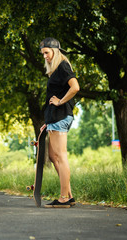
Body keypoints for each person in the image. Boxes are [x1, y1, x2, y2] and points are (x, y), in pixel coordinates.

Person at [39, 37, 80, 208]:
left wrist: (60, 101)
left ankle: (64, 197)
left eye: (46, 53)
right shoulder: (56, 69)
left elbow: (75, 87)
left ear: (55, 51)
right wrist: (47, 121)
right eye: (42, 53)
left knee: (60, 156)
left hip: (61, 116)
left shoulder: (63, 65)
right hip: (54, 119)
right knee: (52, 156)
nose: (44, 56)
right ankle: (68, 194)